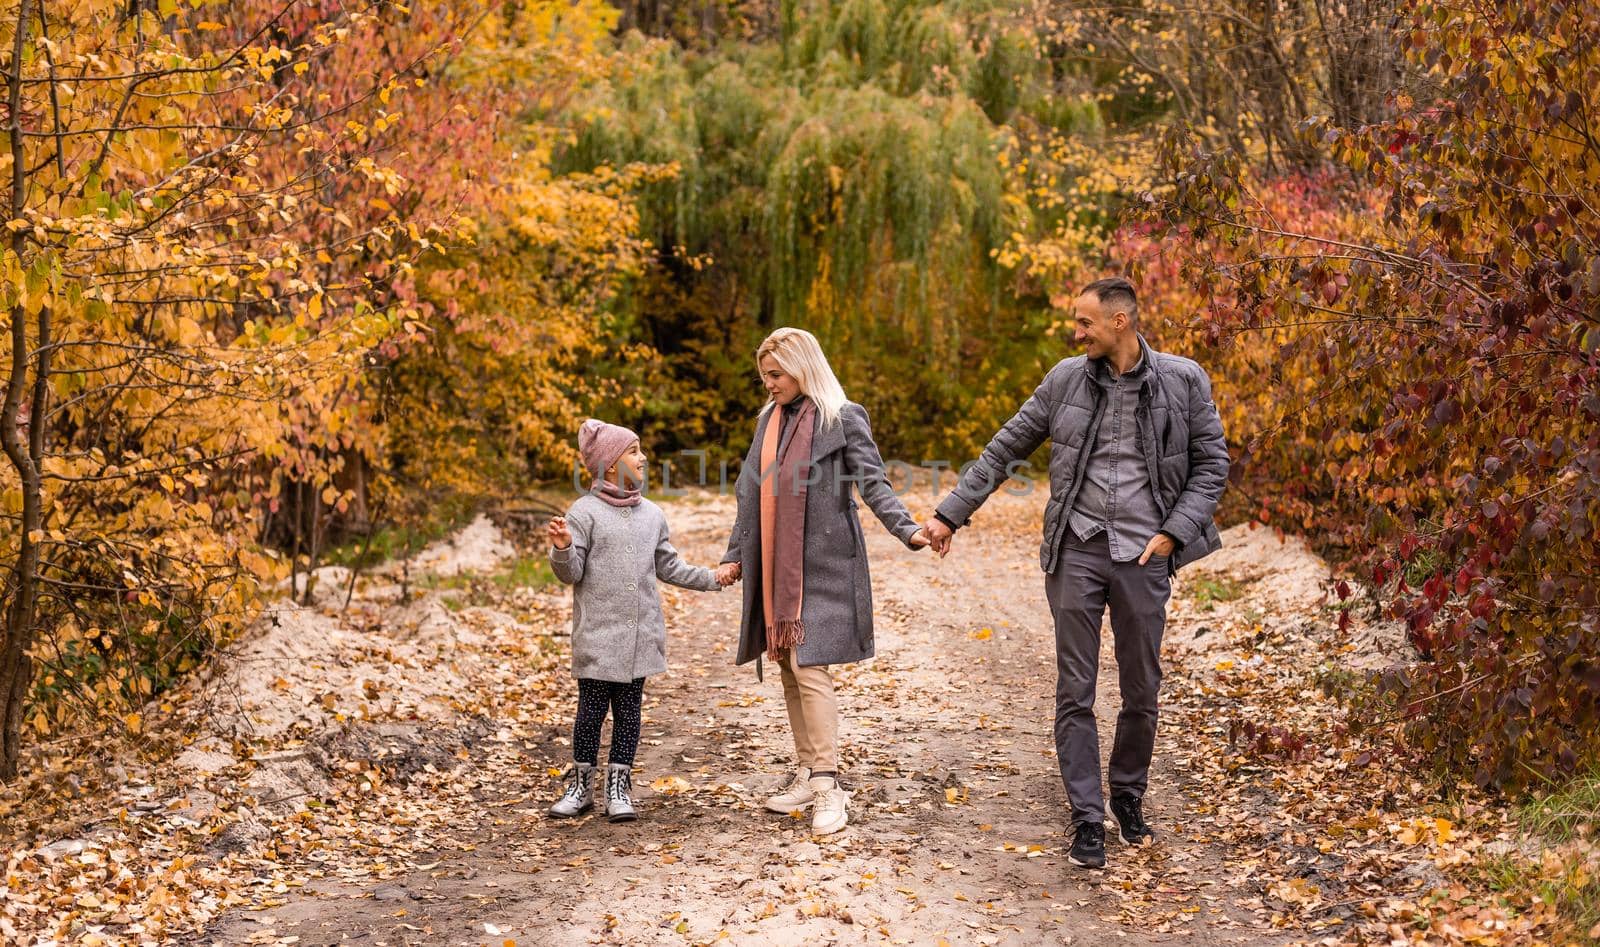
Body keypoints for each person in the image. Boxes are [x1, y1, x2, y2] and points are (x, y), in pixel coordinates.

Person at [922, 277, 1228, 869]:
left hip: (1146, 555)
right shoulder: (1065, 379)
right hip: (1078, 552)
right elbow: (1006, 446)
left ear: (1120, 322)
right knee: (1075, 690)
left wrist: (1174, 533)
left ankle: (1129, 796)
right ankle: (1087, 816)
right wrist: (949, 514)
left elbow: (1212, 464)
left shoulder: (1183, 380)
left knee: (1141, 688)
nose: (1075, 331)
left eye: (1085, 322)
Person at [717, 327, 930, 835]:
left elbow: (874, 484)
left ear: (803, 368)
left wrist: (909, 530)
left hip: (826, 563)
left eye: (776, 375)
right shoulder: (767, 422)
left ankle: (830, 785)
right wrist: (733, 553)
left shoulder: (843, 417)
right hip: (776, 562)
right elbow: (751, 493)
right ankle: (810, 773)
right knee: (789, 666)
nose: (768, 385)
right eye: (763, 376)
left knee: (809, 666)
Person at [547, 419, 734, 822]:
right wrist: (563, 548)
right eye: (634, 451)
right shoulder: (584, 513)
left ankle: (619, 788)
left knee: (629, 713)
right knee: (591, 712)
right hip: (598, 636)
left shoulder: (651, 515)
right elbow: (571, 572)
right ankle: (580, 786)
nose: (643, 457)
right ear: (611, 465)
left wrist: (713, 578)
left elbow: (669, 566)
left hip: (639, 636)